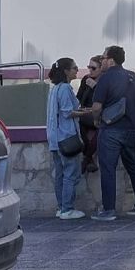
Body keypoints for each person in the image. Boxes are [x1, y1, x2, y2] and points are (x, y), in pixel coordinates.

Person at [87, 45, 135, 221]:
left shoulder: (106, 78)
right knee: (134, 166)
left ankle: (108, 210)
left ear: (111, 60)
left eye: (103, 58)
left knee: (108, 169)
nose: (102, 61)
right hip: (133, 128)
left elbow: (97, 106)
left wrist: (95, 121)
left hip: (112, 130)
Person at [46, 57, 86, 220]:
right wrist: (85, 113)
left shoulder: (54, 89)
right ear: (66, 71)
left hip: (55, 138)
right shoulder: (65, 89)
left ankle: (61, 207)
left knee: (61, 174)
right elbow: (67, 112)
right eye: (74, 68)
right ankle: (67, 208)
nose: (77, 70)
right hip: (66, 137)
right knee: (70, 173)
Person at [75, 54, 104, 173]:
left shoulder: (105, 81)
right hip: (85, 112)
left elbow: (107, 99)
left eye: (94, 68)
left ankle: (87, 157)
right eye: (89, 67)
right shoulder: (86, 79)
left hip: (99, 113)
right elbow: (79, 98)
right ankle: (89, 157)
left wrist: (96, 86)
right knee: (79, 122)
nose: (90, 71)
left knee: (101, 130)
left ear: (101, 68)